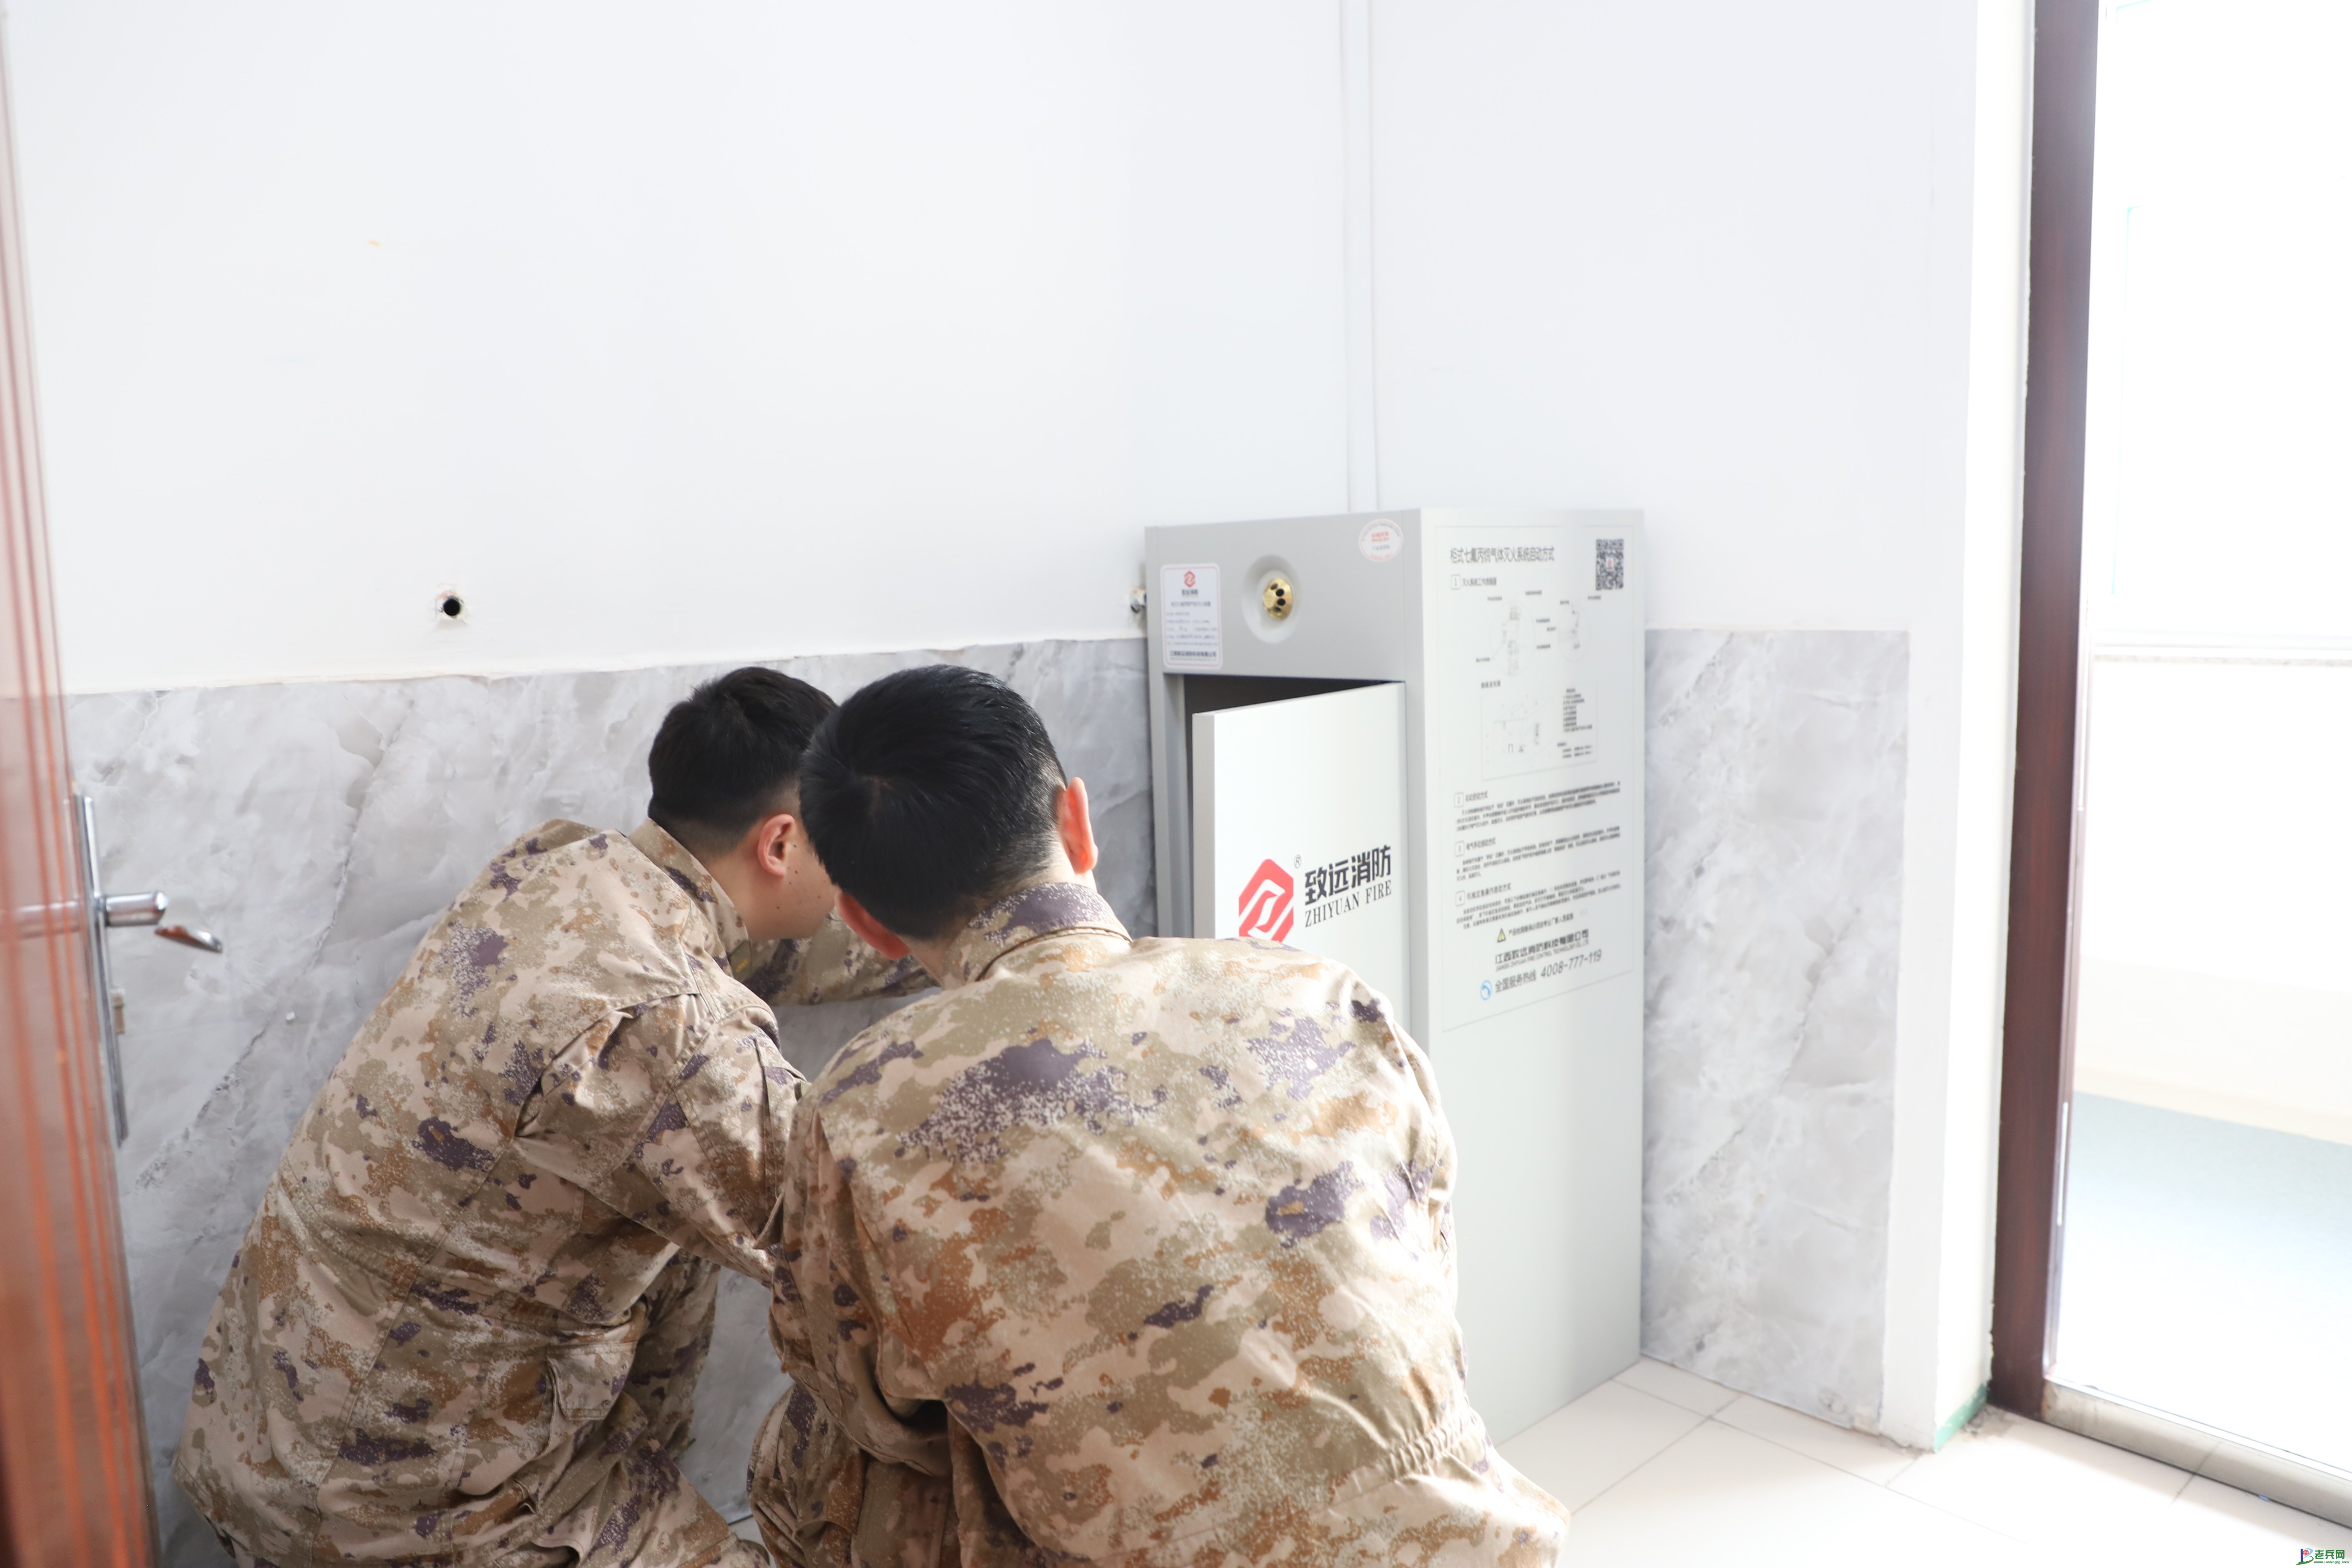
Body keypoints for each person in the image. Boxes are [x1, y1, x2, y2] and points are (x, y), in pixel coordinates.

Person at [746, 666, 1570, 1568]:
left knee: (812, 1449)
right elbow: (1427, 1268)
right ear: (1077, 820)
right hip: (1475, 1544)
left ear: (864, 922)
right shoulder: (1324, 993)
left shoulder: (863, 1104)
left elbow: (868, 1402)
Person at [176, 668, 926, 1567]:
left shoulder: (554, 871)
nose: (858, 874)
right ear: (781, 842)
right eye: (847, 844)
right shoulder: (672, 1030)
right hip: (408, 1513)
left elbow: (762, 954)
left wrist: (955, 923)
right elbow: (862, 1249)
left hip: (266, 1433)